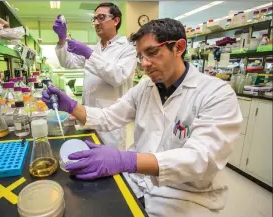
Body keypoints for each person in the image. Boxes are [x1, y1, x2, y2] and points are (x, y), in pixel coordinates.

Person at [43, 18, 243, 217]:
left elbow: (201, 159)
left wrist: (127, 160)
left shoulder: (216, 93)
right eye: (140, 56)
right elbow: (108, 117)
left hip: (186, 197)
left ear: (179, 47)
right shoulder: (145, 88)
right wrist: (70, 105)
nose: (144, 64)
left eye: (152, 52)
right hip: (138, 183)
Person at [52, 2, 137, 150]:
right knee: (88, 158)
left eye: (101, 18)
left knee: (108, 166)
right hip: (87, 116)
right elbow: (68, 62)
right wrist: (61, 39)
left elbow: (117, 76)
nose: (97, 22)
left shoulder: (127, 49)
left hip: (111, 125)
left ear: (116, 20)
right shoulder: (95, 48)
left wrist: (89, 55)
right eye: (95, 19)